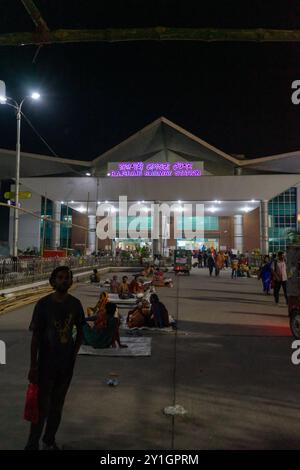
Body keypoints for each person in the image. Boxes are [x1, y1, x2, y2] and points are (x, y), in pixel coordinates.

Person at [25, 266, 85, 451]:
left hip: (65, 366)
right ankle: (32, 444)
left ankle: (49, 440)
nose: (63, 280)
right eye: (60, 277)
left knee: (57, 406)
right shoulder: (43, 305)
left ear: (71, 281)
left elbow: (81, 332)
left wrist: (73, 355)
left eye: (67, 277)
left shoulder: (75, 304)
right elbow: (36, 337)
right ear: (53, 281)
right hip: (45, 365)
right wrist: (33, 366)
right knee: (41, 407)